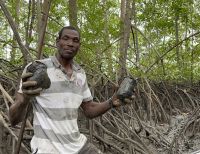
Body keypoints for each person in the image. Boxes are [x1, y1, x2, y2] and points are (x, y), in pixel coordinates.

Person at [9, 26, 131, 154]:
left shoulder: (80, 73)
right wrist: (25, 100)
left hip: (78, 146)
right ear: (57, 42)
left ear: (79, 45)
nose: (70, 43)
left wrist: (112, 101)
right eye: (65, 39)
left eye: (75, 40)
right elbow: (13, 120)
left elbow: (89, 110)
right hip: (47, 149)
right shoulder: (37, 68)